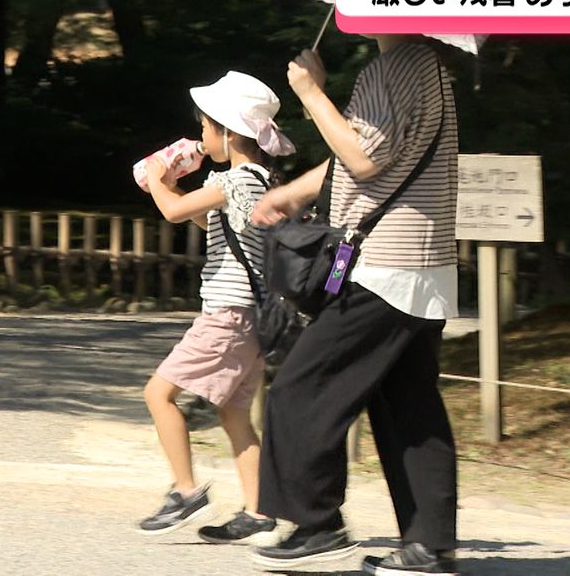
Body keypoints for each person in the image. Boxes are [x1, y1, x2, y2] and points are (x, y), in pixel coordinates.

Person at [248, 35, 461, 575]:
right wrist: (295, 191)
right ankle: (428, 546)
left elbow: (364, 159)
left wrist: (310, 92)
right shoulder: (428, 65)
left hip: (385, 266)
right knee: (409, 408)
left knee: (299, 391)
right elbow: (370, 151)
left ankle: (318, 524)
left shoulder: (391, 68)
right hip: (424, 264)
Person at [137, 71, 296, 546]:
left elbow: (170, 211)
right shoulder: (264, 178)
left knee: (158, 395)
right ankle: (259, 509)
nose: (202, 138)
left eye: (206, 128)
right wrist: (176, 189)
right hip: (252, 318)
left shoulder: (235, 180)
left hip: (227, 314)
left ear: (229, 132)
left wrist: (157, 174)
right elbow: (216, 227)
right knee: (233, 414)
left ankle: (186, 491)